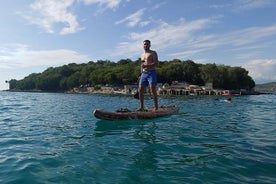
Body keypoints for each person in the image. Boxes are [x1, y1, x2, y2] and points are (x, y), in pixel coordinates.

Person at [138, 40, 159, 111]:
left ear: (150, 45)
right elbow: (142, 65)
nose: (145, 45)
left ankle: (156, 107)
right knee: (140, 90)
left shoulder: (153, 53)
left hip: (151, 72)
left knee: (152, 89)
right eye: (144, 44)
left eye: (147, 44)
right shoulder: (142, 55)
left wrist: (146, 65)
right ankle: (141, 107)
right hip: (144, 73)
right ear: (143, 45)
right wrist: (141, 74)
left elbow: (156, 63)